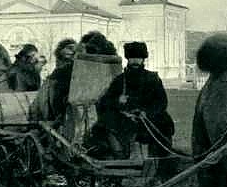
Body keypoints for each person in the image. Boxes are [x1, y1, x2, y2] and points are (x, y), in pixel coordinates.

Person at [94, 42, 176, 178]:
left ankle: (160, 166)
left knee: (164, 124)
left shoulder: (153, 78)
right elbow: (104, 102)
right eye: (132, 58)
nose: (135, 61)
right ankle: (127, 158)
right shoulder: (120, 80)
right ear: (127, 59)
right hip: (125, 117)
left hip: (148, 117)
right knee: (111, 123)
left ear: (144, 59)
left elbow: (162, 102)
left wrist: (147, 112)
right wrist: (118, 100)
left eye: (138, 58)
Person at [43, 38, 77, 123]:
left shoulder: (75, 68)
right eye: (69, 48)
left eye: (74, 49)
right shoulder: (57, 73)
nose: (72, 51)